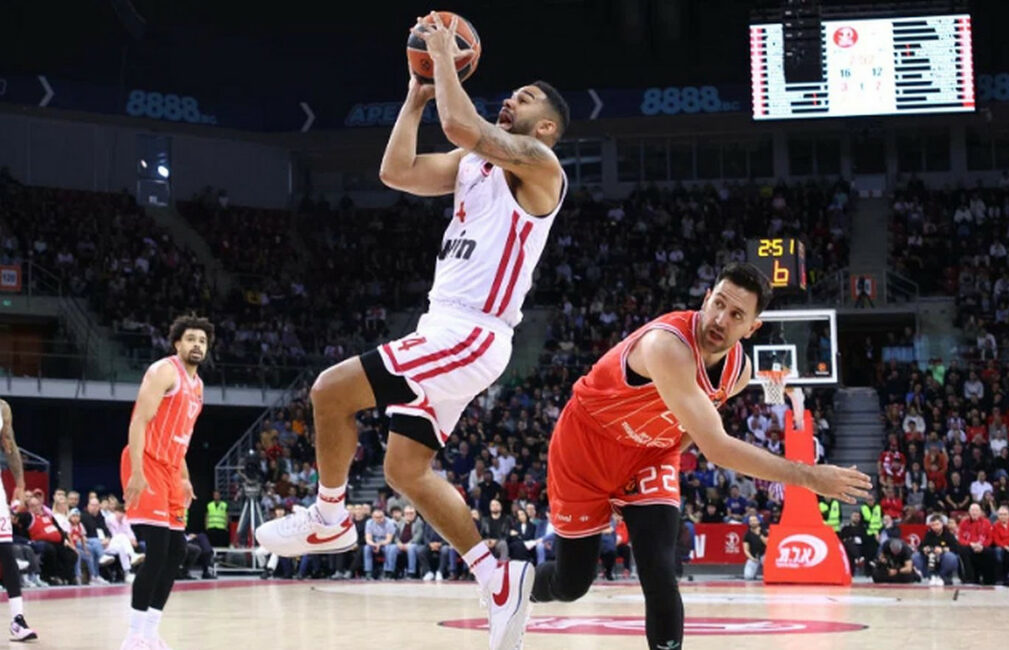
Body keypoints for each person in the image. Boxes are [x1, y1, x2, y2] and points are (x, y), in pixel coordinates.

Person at [255, 13, 570, 650]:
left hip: (472, 333)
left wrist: (444, 53)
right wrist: (414, 96)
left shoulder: (541, 165)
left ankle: (329, 516)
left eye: (525, 98)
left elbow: (461, 125)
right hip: (444, 326)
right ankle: (498, 579)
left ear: (545, 127)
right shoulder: (472, 164)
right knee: (404, 469)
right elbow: (396, 172)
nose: (511, 99)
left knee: (329, 391)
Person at [530, 264, 872, 650]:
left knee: (659, 570)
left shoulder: (739, 372)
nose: (721, 319)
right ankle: (515, 586)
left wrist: (652, 463)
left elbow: (694, 429)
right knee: (571, 584)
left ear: (752, 328)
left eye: (737, 315)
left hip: (650, 455)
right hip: (586, 446)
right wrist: (808, 476)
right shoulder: (666, 345)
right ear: (706, 299)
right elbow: (717, 447)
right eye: (719, 304)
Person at [120, 314, 212, 650]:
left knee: (177, 553)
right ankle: (132, 636)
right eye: (190, 339)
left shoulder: (199, 386)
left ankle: (150, 633)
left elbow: (181, 437)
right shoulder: (164, 371)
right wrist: (137, 471)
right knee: (157, 552)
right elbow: (139, 422)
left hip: (173, 470)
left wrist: (184, 478)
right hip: (147, 462)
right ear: (177, 343)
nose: (196, 345)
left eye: (202, 341)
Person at [0, 400, 37, 641]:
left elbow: (9, 444)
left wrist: (21, 484)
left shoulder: (2, 408)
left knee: (6, 550)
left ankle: (18, 619)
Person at [912, 514, 960, 586]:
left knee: (950, 557)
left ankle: (941, 576)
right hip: (930, 556)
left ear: (942, 524)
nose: (935, 527)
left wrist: (943, 550)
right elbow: (920, 547)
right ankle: (927, 577)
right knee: (916, 556)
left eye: (937, 524)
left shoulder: (948, 534)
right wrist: (924, 549)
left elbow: (956, 548)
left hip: (943, 556)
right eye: (933, 525)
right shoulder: (929, 534)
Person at [990, 505, 1009, 586]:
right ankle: (1001, 578)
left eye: (1005, 514)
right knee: (999, 551)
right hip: (1002, 547)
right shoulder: (995, 526)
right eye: (1000, 514)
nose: (1003, 516)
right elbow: (996, 539)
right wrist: (1004, 546)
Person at [742, 514, 769, 580]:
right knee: (748, 576)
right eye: (751, 521)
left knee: (766, 561)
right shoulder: (747, 534)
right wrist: (752, 558)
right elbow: (746, 550)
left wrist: (760, 535)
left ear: (758, 522)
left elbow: (769, 544)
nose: (753, 522)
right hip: (754, 556)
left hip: (764, 555)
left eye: (754, 520)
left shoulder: (764, 531)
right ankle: (754, 572)